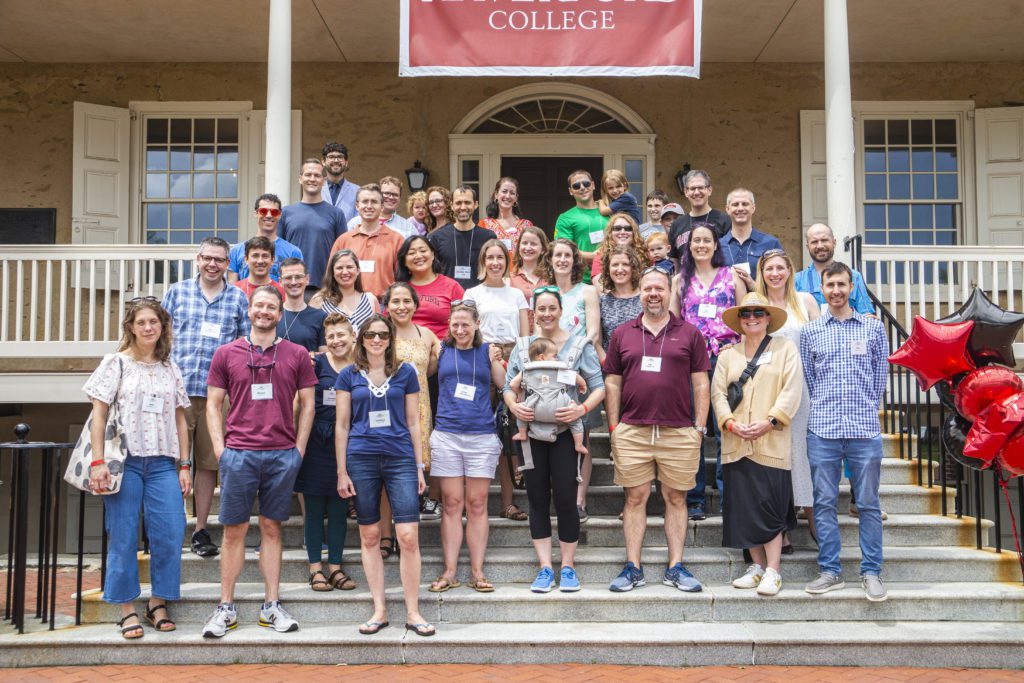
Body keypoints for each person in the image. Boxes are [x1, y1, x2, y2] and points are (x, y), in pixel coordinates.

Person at [201, 286, 317, 638]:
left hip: (282, 454)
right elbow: (212, 405)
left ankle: (271, 605)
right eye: (259, 305)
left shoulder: (296, 354)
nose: (264, 311)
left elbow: (308, 405)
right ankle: (225, 607)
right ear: (249, 310)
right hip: (240, 454)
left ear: (280, 315)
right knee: (234, 531)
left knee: (271, 528)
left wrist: (298, 450)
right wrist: (221, 450)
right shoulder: (226, 353)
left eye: (271, 307)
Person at [84, 298, 191, 639]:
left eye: (154, 322)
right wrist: (98, 462)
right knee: (124, 535)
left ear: (162, 327)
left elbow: (180, 419)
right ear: (131, 327)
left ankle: (157, 601)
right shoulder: (115, 363)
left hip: (162, 464)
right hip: (125, 463)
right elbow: (98, 416)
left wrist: (184, 464)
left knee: (171, 533)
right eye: (141, 322)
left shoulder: (169, 368)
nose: (148, 328)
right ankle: (127, 608)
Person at [603, 266, 710, 594]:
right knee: (635, 497)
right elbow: (612, 382)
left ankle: (675, 566)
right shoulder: (623, 333)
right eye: (647, 288)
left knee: (675, 497)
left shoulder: (690, 333)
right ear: (640, 293)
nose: (653, 294)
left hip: (678, 431)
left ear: (669, 293)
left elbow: (701, 383)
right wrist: (613, 427)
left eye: (659, 289)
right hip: (633, 430)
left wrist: (700, 428)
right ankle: (633, 567)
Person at [335, 315, 434, 637]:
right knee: (370, 537)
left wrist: (419, 465)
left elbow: (413, 421)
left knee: (407, 536)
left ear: (390, 339)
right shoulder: (349, 375)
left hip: (400, 457)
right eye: (370, 335)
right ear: (360, 339)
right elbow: (342, 425)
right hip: (361, 458)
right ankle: (379, 609)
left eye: (382, 334)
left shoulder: (405, 372)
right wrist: (341, 471)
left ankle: (413, 611)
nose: (376, 339)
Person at [503, 288, 605, 593]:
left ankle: (569, 567)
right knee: (536, 499)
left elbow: (598, 386)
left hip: (564, 433)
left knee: (565, 500)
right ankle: (546, 568)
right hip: (531, 435)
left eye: (552, 308)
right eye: (541, 309)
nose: (547, 314)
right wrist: (513, 405)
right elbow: (510, 386)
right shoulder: (523, 348)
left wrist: (582, 408)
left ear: (561, 310)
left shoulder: (578, 345)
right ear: (534, 312)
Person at [799, 262, 890, 602]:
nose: (835, 290)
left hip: (863, 429)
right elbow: (810, 379)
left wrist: (866, 405)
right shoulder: (811, 332)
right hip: (822, 428)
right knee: (823, 503)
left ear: (851, 287)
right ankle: (830, 570)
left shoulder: (873, 329)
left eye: (841, 284)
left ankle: (871, 572)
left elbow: (880, 375)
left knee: (867, 503)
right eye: (830, 285)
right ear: (821, 289)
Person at [161, 237, 250, 560]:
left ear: (228, 264)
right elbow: (161, 337)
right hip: (178, 392)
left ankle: (199, 529)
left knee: (208, 465)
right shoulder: (177, 292)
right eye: (207, 258)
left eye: (220, 260)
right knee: (172, 461)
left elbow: (244, 346)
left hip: (218, 395)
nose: (213, 264)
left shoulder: (238, 298)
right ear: (197, 259)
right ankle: (172, 525)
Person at [712, 292, 803, 596]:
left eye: (758, 313)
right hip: (736, 441)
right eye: (746, 313)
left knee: (771, 507)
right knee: (743, 507)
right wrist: (731, 424)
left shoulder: (785, 350)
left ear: (767, 318)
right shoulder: (728, 355)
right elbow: (718, 396)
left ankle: (774, 569)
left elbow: (791, 391)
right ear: (739, 320)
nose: (752, 318)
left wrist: (770, 421)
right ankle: (756, 566)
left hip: (772, 441)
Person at [427, 301, 506, 594]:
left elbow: (506, 385)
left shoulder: (487, 352)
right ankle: (449, 570)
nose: (460, 330)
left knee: (477, 504)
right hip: (447, 434)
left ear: (476, 325)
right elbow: (419, 372)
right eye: (455, 324)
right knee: (451, 504)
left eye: (465, 324)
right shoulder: (441, 349)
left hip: (481, 435)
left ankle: (477, 570)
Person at [670, 225, 747, 520]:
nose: (701, 245)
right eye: (696, 241)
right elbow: (674, 324)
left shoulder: (733, 277)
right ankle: (695, 498)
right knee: (695, 430)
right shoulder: (679, 280)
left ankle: (730, 497)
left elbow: (744, 319)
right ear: (688, 247)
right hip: (692, 364)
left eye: (707, 240)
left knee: (728, 428)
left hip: (728, 360)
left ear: (716, 245)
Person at [755, 248, 820, 543]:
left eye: (780, 268)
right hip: (769, 388)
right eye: (769, 269)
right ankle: (781, 529)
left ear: (790, 271)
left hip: (803, 388)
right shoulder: (757, 304)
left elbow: (821, 344)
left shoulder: (805, 302)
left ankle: (815, 522)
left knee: (804, 454)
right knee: (775, 456)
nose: (775, 274)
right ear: (762, 273)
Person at [464, 239, 531, 522]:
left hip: (513, 360)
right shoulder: (472, 293)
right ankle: (469, 500)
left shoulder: (516, 294)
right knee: (479, 431)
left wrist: (522, 367)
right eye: (489, 258)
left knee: (508, 433)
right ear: (482, 262)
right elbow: (465, 329)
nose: (495, 263)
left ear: (507, 262)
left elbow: (526, 335)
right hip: (482, 358)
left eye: (500, 258)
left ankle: (508, 501)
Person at [294, 313, 357, 593]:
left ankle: (335, 567)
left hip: (348, 442)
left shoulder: (360, 367)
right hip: (316, 440)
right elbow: (299, 402)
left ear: (353, 336)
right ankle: (315, 569)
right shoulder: (315, 363)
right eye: (330, 336)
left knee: (340, 508)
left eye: (341, 334)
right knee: (315, 509)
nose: (336, 340)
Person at [539, 239, 601, 521]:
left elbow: (593, 331)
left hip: (579, 368)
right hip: (545, 372)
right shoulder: (542, 292)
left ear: (574, 260)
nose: (562, 260)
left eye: (567, 255)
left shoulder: (587, 291)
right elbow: (535, 332)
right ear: (549, 260)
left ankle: (579, 499)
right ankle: (556, 494)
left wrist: (570, 358)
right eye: (556, 255)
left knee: (582, 436)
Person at [386, 282, 441, 552]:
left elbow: (438, 364)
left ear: (415, 304)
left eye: (406, 301)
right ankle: (387, 534)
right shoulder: (380, 334)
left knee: (409, 472)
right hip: (388, 410)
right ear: (387, 306)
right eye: (395, 301)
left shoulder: (428, 335)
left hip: (419, 408)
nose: (401, 306)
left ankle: (406, 533)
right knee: (387, 471)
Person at [509, 337, 588, 460]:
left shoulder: (527, 371)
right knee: (575, 421)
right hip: (559, 409)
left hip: (534, 409)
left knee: (522, 413)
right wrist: (582, 385)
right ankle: (578, 444)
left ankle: (522, 434)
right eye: (555, 355)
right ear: (541, 357)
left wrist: (519, 393)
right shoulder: (558, 369)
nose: (557, 358)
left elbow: (512, 384)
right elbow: (576, 378)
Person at [279, 158, 348, 298]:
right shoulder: (286, 213)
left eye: (317, 175)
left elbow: (343, 254)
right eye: (308, 175)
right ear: (300, 179)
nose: (312, 179)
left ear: (323, 180)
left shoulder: (336, 214)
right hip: (292, 286)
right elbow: (280, 252)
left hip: (326, 289)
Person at [330, 184, 405, 298]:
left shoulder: (396, 240)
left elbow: (403, 279)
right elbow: (331, 276)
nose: (369, 206)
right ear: (357, 206)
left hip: (383, 306)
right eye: (365, 201)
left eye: (374, 202)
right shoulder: (343, 241)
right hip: (348, 304)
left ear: (382, 206)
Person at [795, 223, 875, 315]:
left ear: (834, 242)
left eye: (824, 240)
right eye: (814, 242)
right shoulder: (797, 280)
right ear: (807, 246)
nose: (820, 246)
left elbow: (866, 313)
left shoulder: (854, 276)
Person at [427, 186, 497, 290]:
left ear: (476, 204)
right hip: (447, 298)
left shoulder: (488, 237)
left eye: (467, 202)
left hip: (479, 299)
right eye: (458, 203)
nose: (463, 207)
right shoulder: (437, 237)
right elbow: (431, 272)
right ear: (451, 205)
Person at [395, 235, 465, 340]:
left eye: (422, 251)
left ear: (432, 255)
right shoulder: (398, 289)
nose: (418, 256)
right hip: (405, 349)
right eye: (411, 253)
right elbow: (388, 322)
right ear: (404, 261)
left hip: (443, 349)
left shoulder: (452, 287)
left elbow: (466, 320)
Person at [227, 194, 303, 283]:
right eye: (263, 211)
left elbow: (297, 285)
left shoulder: (293, 251)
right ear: (256, 213)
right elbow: (232, 287)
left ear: (279, 215)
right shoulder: (236, 251)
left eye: (274, 212)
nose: (269, 215)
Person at [719, 188, 783, 285]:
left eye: (745, 204)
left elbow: (782, 280)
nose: (740, 208)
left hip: (762, 300)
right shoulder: (717, 246)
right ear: (727, 209)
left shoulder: (771, 243)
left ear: (753, 208)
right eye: (735, 204)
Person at [668, 170, 733, 265]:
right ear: (686, 192)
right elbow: (674, 261)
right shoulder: (677, 224)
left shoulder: (724, 220)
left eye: (701, 187)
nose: (697, 192)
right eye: (692, 188)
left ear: (709, 190)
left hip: (717, 278)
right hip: (685, 278)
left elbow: (731, 255)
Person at [310, 249, 380, 333]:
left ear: (358, 270)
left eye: (349, 267)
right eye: (339, 268)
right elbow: (312, 334)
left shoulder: (371, 299)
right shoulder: (320, 300)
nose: (345, 272)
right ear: (332, 272)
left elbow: (379, 331)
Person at [554, 170, 606, 283]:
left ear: (593, 185)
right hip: (581, 281)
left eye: (586, 184)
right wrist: (595, 256)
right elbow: (564, 249)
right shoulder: (565, 218)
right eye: (576, 186)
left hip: (613, 277)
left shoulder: (608, 210)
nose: (582, 188)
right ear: (571, 191)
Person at [596, 244, 643, 360]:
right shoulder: (603, 301)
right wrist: (607, 364)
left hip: (641, 365)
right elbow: (597, 342)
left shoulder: (645, 298)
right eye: (615, 265)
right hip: (612, 368)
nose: (620, 269)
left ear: (633, 268)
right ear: (608, 269)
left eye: (625, 264)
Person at [276, 258, 327, 354]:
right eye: (288, 278)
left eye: (298, 277)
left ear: (307, 279)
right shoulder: (272, 314)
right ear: (280, 281)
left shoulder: (320, 317)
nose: (294, 282)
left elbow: (324, 358)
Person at [588, 213, 649, 289]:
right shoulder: (600, 256)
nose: (623, 232)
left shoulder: (645, 255)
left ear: (634, 233)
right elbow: (600, 287)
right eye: (617, 228)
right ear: (610, 232)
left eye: (628, 228)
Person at [508, 225, 550, 332]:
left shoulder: (551, 278)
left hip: (546, 336)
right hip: (519, 336)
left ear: (542, 249)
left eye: (533, 244)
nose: (528, 247)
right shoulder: (509, 279)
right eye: (525, 243)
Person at [348, 176, 416, 239]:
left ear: (399, 198)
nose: (391, 197)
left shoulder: (409, 228)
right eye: (386, 193)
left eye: (395, 195)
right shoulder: (355, 223)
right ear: (378, 196)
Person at [479, 176, 534, 253]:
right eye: (504, 191)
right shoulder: (484, 225)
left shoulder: (526, 225)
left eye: (512, 193)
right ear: (496, 194)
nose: (508, 196)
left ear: (516, 198)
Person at [232, 236, 286, 300]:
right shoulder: (234, 291)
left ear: (272, 260)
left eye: (265, 256)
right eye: (255, 256)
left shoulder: (282, 291)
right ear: (246, 259)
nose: (260, 261)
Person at [321, 142, 358, 221]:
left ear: (346, 162)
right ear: (323, 161)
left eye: (340, 157)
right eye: (331, 157)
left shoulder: (357, 191)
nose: (336, 160)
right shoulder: (316, 188)